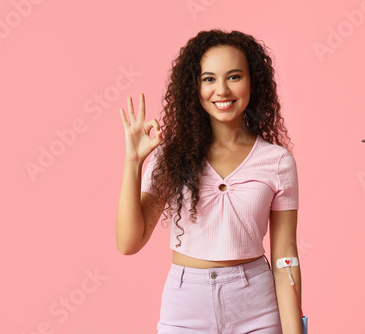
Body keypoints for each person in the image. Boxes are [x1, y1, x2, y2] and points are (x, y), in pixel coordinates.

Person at [116, 29, 302, 334]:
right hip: (186, 308)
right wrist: (133, 162)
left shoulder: (278, 161)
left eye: (234, 77)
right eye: (209, 79)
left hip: (256, 305)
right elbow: (128, 242)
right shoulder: (171, 156)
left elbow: (285, 256)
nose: (222, 90)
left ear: (253, 83)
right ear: (194, 87)